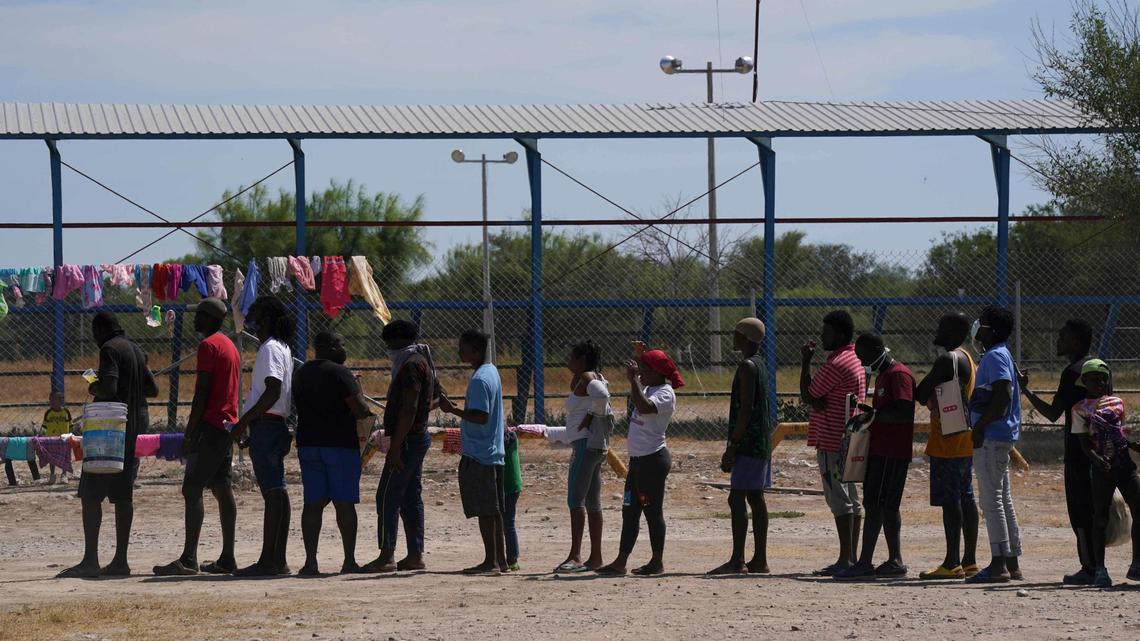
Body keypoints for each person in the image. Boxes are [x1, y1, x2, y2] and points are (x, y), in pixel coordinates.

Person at [57, 312, 158, 578]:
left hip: (111, 432)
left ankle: (90, 560)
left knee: (91, 494)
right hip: (136, 427)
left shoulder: (109, 349)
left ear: (101, 331)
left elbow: (109, 387)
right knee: (123, 495)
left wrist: (94, 387)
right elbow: (153, 389)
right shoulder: (136, 349)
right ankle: (120, 561)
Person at [154, 298, 241, 576]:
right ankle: (227, 557)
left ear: (208, 318)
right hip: (227, 426)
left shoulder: (208, 346)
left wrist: (190, 433)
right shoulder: (230, 346)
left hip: (210, 426)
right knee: (222, 488)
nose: (195, 320)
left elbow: (202, 392)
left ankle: (189, 559)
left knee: (192, 489)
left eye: (198, 315)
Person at [1017, 319, 1098, 585]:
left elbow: (1052, 414)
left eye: (1062, 335)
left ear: (1075, 340)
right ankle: (1100, 566)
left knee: (1080, 512)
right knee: (1097, 508)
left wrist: (1025, 390)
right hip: (1101, 449)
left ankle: (1089, 567)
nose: (1058, 340)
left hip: (1077, 450)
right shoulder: (1098, 368)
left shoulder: (1071, 372)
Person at [835, 333, 915, 580]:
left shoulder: (897, 374)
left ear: (878, 349)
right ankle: (894, 560)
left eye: (863, 356)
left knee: (877, 505)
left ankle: (866, 562)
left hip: (892, 452)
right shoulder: (883, 374)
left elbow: (904, 411)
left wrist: (874, 417)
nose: (861, 361)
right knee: (886, 505)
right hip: (881, 449)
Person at [596, 346, 682, 576]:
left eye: (645, 369)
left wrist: (634, 378)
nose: (640, 372)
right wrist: (638, 357)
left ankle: (657, 561)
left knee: (652, 511)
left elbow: (644, 407)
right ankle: (620, 561)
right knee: (630, 509)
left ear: (656, 372)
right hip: (638, 463)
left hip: (653, 462)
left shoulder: (665, 392)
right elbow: (641, 384)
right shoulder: (648, 385)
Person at [293, 331, 373, 576]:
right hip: (340, 445)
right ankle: (349, 561)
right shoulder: (341, 373)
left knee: (313, 503)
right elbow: (361, 411)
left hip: (309, 444)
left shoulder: (302, 373)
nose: (344, 348)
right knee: (344, 503)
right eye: (341, 344)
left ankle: (310, 563)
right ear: (328, 346)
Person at [364, 320, 440, 573]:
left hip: (407, 441)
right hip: (415, 437)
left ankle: (387, 555)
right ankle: (415, 555)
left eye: (389, 343)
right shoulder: (422, 360)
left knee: (386, 495)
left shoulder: (409, 366)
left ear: (398, 341)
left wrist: (395, 447)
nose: (388, 348)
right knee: (409, 496)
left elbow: (409, 407)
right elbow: (434, 398)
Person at [231, 296, 295, 577]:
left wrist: (244, 421)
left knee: (272, 492)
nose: (254, 327)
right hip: (272, 425)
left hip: (267, 426)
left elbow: (271, 390)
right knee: (278, 490)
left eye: (256, 321)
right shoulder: (283, 348)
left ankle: (269, 560)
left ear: (267, 321)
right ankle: (277, 559)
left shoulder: (269, 349)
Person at [914, 312, 980, 580]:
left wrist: (927, 391)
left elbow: (920, 394)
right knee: (966, 497)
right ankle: (969, 560)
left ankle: (951, 562)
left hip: (948, 440)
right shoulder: (967, 358)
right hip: (964, 437)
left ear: (953, 332)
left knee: (951, 501)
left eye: (942, 327)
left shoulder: (946, 359)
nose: (937, 331)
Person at [800, 310, 865, 576]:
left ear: (838, 334)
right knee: (851, 498)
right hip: (850, 438)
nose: (822, 337)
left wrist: (805, 362)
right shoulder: (855, 359)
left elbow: (808, 394)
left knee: (839, 500)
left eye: (826, 332)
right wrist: (816, 399)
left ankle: (844, 559)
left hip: (831, 439)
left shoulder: (835, 364)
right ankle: (852, 557)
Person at [439, 329, 507, 575]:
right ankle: (501, 559)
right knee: (494, 510)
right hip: (492, 451)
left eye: (463, 348)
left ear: (475, 351)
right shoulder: (491, 371)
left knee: (486, 511)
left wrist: (452, 411)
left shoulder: (479, 379)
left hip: (481, 453)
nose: (460, 352)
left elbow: (480, 416)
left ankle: (491, 562)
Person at [708, 318, 772, 576]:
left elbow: (746, 408)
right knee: (755, 497)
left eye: (736, 334)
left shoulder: (746, 366)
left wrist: (733, 445)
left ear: (745, 337)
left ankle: (738, 560)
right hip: (761, 442)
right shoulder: (760, 364)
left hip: (748, 443)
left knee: (737, 497)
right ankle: (759, 559)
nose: (732, 338)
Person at [965, 305, 1023, 584]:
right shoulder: (1000, 354)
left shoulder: (996, 357)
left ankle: (998, 563)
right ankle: (1011, 562)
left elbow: (1001, 396)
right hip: (999, 436)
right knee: (1002, 498)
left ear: (993, 330)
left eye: (983, 323)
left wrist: (980, 426)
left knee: (991, 501)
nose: (978, 326)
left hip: (991, 436)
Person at [1071, 359, 1140, 587]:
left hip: (1124, 465)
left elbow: (1118, 433)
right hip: (1102, 469)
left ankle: (1136, 564)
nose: (1098, 382)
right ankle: (1100, 569)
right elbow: (1084, 444)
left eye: (1102, 378)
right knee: (1100, 517)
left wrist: (1132, 445)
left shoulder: (1117, 402)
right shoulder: (1079, 409)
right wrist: (1098, 462)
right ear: (1085, 382)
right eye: (1093, 379)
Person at [553, 340, 611, 574]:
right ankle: (595, 557)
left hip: (585, 447)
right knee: (593, 502)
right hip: (592, 446)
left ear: (582, 360)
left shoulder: (588, 377)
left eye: (573, 357)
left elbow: (603, 396)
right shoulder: (589, 377)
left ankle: (575, 556)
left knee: (575, 501)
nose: (569, 361)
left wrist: (590, 415)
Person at [503, 428, 523, 572]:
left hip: (506, 486)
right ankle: (512, 558)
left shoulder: (501, 440)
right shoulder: (512, 436)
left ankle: (511, 558)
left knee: (506, 523)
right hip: (514, 485)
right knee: (508, 523)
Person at [42, 390, 72, 484]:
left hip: (64, 439)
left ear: (60, 401)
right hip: (51, 440)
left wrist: (69, 437)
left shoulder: (66, 412)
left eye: (54, 400)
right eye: (50, 400)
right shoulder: (48, 413)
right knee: (51, 458)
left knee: (65, 458)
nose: (51, 402)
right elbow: (44, 427)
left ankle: (64, 475)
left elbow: (70, 426)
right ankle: (52, 475)